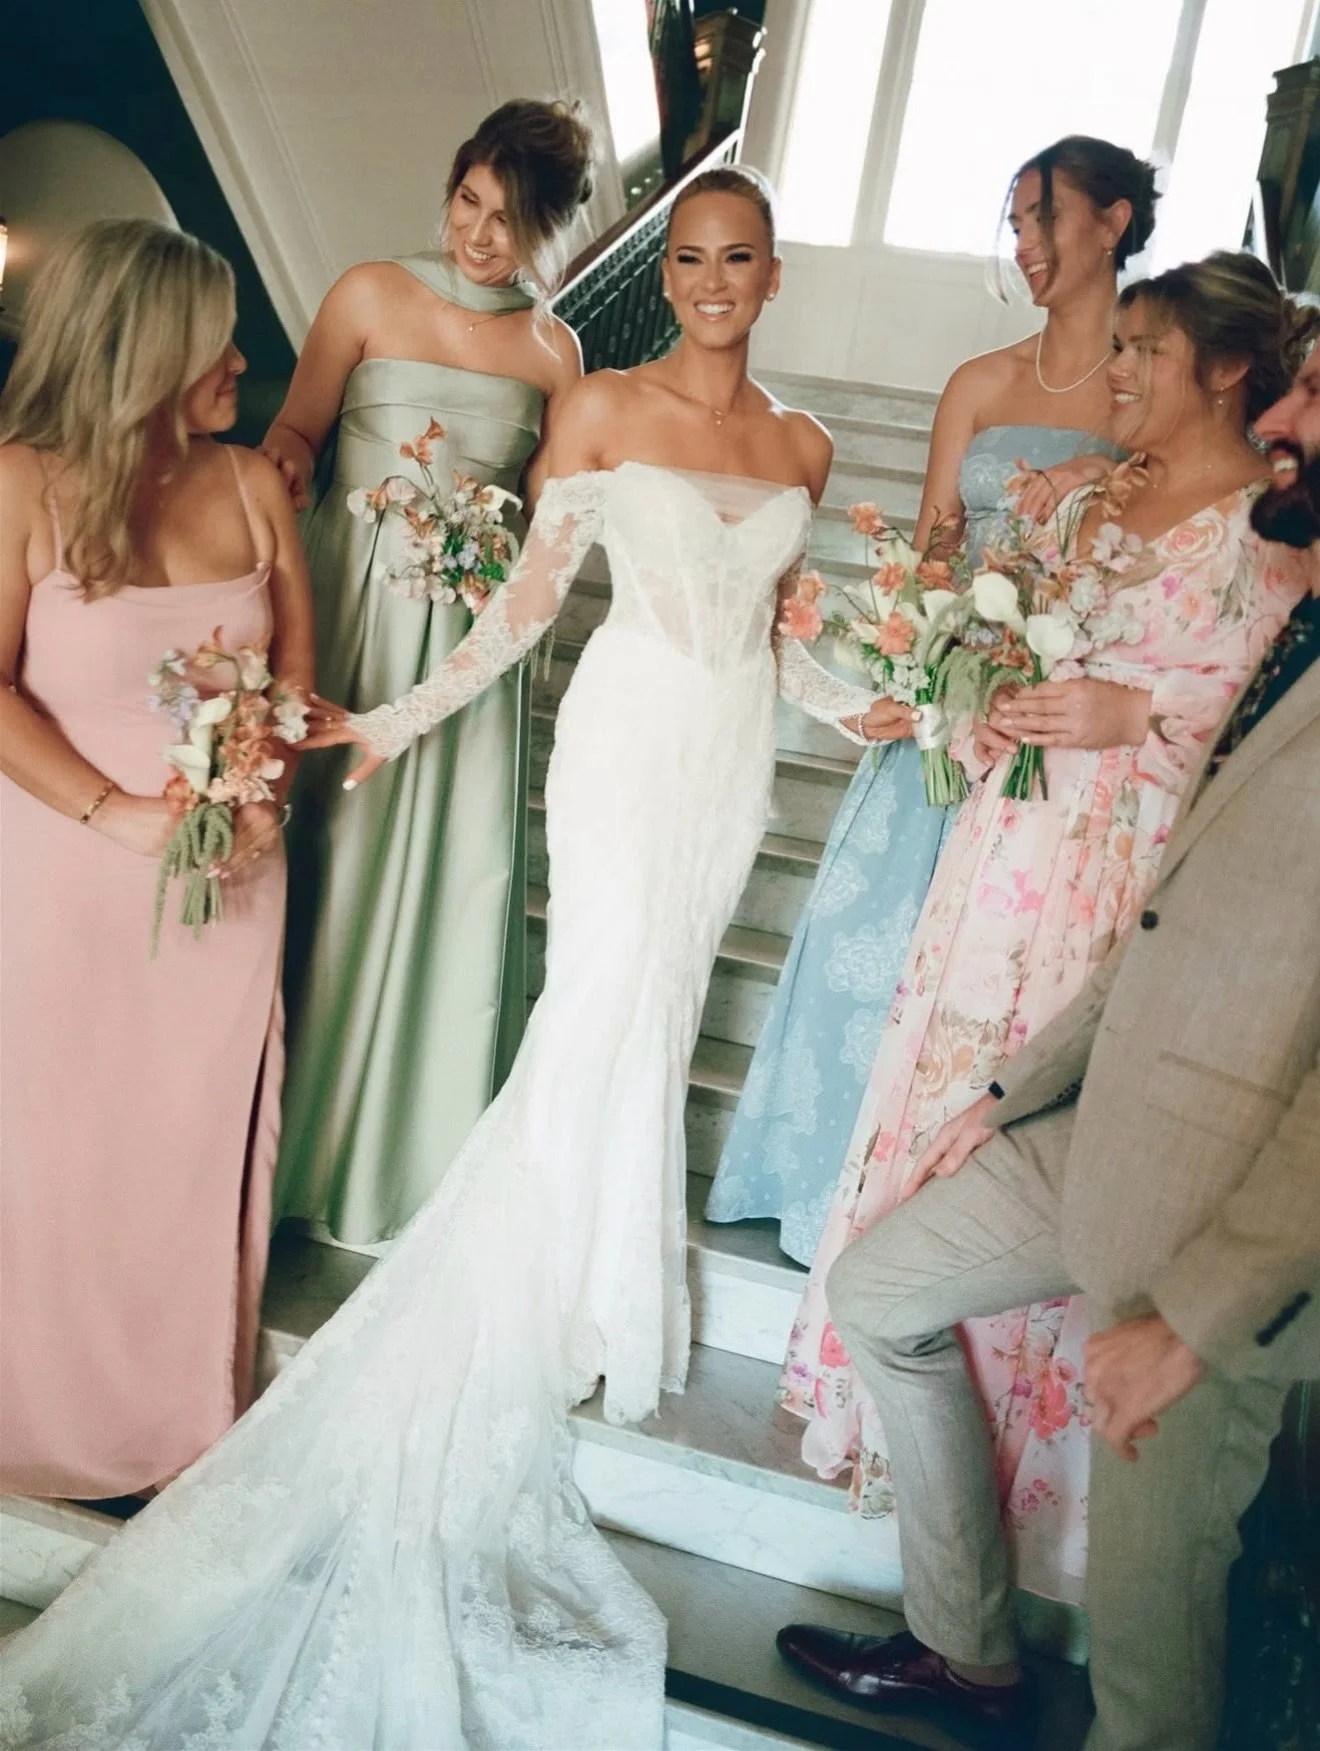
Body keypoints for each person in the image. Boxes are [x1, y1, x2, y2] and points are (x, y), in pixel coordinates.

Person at [0, 167, 898, 1749]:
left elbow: (784, 629)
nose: (702, 278)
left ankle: (619, 1290)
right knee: (597, 1000)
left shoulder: (810, 447)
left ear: (774, 276)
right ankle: (554, 1292)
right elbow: (532, 602)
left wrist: (875, 705)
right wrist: (393, 715)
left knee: (659, 1002)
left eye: (732, 257)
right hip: (623, 747)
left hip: (731, 762)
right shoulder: (599, 402)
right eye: (682, 253)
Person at [777, 345, 1320, 1751]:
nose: (1281, 421)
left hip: (1220, 1224)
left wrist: (1204, 1309)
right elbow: (1171, 911)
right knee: (879, 1283)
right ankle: (968, 1650)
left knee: (1148, 1686)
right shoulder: (1298, 628)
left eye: (1316, 392)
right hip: (1097, 1117)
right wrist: (1016, 1086)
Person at [705, 135, 1151, 1266]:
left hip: (1064, 720)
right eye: (1014, 222)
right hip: (955, 706)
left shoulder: (1155, 390)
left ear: (1115, 219)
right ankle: (822, 1192)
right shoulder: (981, 385)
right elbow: (935, 561)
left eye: (1044, 216)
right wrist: (932, 667)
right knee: (875, 940)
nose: (1027, 244)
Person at [0, 219, 314, 1499]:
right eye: (212, 338)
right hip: (63, 877)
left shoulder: (248, 484)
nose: (242, 358)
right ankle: (40, 1409)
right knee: (59, 1144)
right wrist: (113, 813)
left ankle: (171, 1417)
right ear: (141, 353)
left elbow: (297, 671)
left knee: (189, 1143)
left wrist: (266, 792)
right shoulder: (22, 480)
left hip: (225, 890)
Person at [265, 99, 593, 1247]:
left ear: (552, 230)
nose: (482, 236)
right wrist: (274, 488)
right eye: (470, 201)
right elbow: (295, 434)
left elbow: (551, 530)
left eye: (513, 220)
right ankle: (272, 1150)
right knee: (318, 860)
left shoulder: (556, 353)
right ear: (451, 184)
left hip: (457, 660)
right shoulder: (367, 293)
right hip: (345, 614)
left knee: (438, 879)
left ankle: (391, 1164)